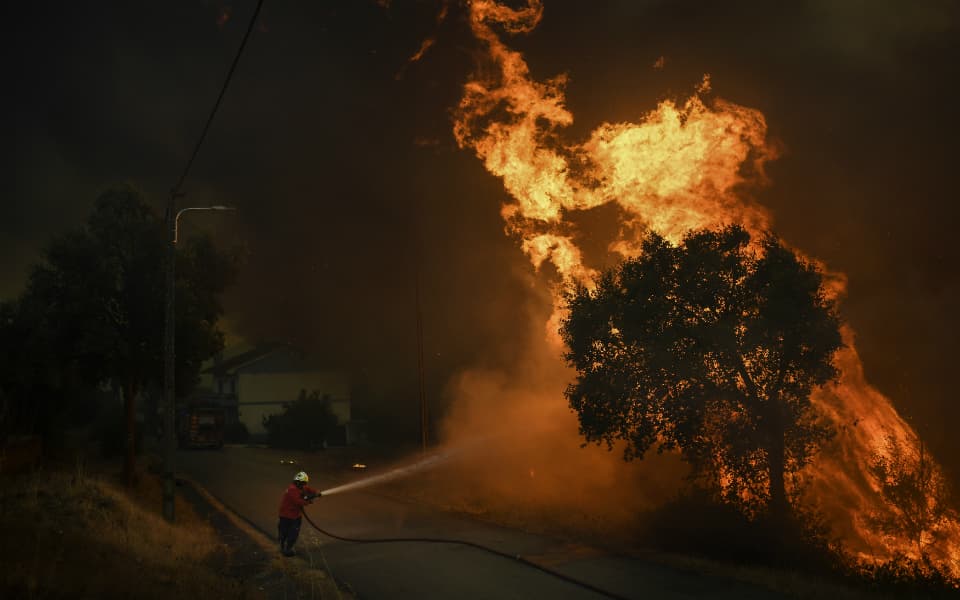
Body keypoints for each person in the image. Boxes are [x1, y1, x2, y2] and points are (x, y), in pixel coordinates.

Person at [277, 471, 321, 556]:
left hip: (296, 516)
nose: (304, 485)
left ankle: (288, 548)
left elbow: (309, 490)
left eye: (305, 483)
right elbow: (298, 501)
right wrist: (309, 500)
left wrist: (316, 493)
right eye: (303, 483)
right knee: (284, 533)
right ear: (297, 482)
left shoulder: (302, 487)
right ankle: (283, 548)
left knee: (294, 533)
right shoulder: (292, 489)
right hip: (286, 516)